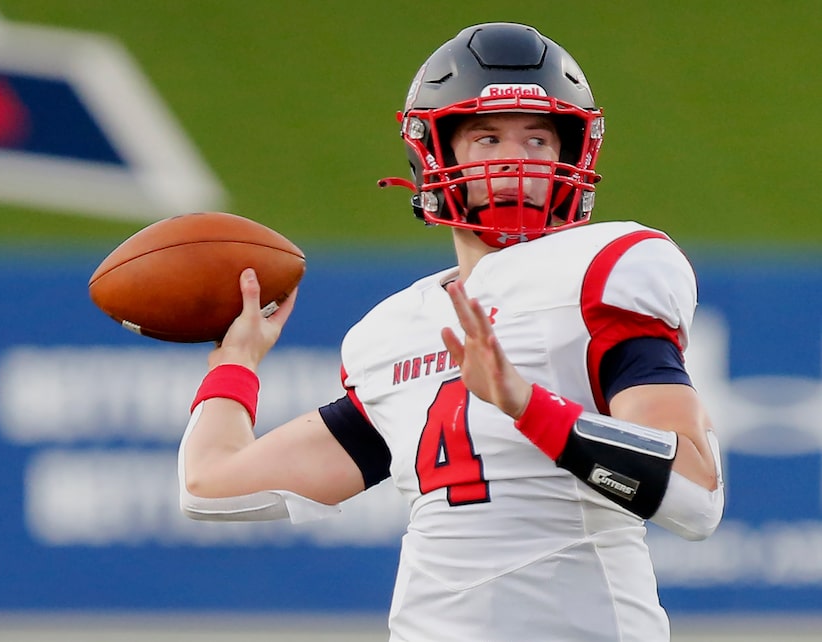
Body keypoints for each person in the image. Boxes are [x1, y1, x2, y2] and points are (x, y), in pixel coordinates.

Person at [178, 22, 724, 642]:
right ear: (434, 153)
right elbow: (212, 487)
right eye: (487, 138)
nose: (515, 161)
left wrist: (524, 404)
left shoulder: (602, 267)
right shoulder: (393, 331)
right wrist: (237, 360)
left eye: (539, 139)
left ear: (570, 155)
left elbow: (694, 495)